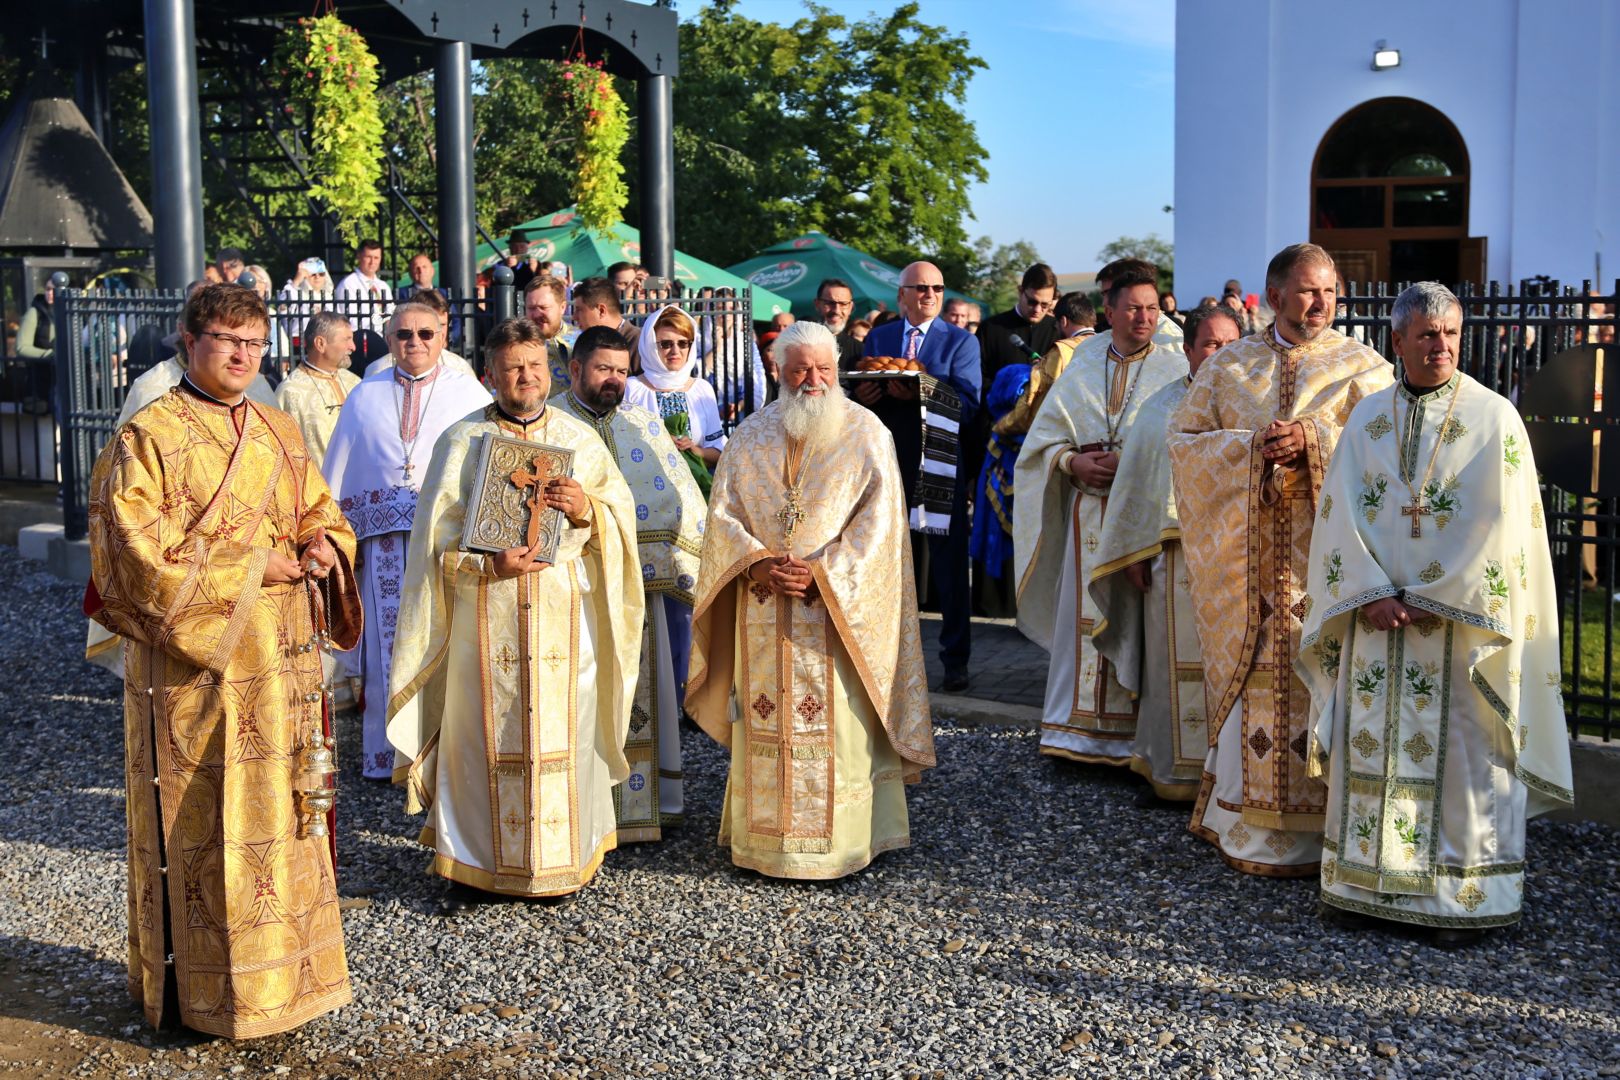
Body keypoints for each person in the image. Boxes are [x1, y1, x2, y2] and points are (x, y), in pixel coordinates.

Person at [86, 283, 360, 1037]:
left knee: (282, 819)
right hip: (193, 675)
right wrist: (251, 570)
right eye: (228, 340)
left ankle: (285, 986)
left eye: (255, 343)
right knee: (204, 823)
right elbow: (128, 559)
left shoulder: (278, 429)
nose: (244, 355)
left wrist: (318, 546)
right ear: (190, 340)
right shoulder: (149, 435)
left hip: (281, 667)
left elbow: (323, 514)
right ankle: (197, 996)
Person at [1298, 282, 1573, 941]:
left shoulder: (1492, 418)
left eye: (1450, 334)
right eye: (1426, 335)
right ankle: (1362, 883)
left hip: (1458, 631)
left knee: (1463, 758)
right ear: (1397, 342)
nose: (1441, 346)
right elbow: (1338, 516)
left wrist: (1427, 597)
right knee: (1374, 743)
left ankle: (1459, 901)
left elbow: (1501, 530)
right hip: (1376, 623)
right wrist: (1370, 594)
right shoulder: (1366, 421)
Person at [387, 317, 642, 908]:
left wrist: (585, 510)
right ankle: (474, 863)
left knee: (566, 730)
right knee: (480, 737)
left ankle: (560, 861)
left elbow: (618, 523)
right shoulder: (461, 442)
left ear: (548, 370)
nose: (525, 377)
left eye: (534, 366)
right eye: (512, 367)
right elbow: (431, 552)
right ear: (490, 374)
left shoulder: (579, 440)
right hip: (486, 614)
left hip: (561, 615)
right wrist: (486, 565)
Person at [1167, 243, 1393, 876]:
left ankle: (1332, 832)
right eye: (1306, 290)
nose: (1319, 303)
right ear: (1273, 296)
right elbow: (1184, 445)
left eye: (1328, 292)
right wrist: (1253, 453)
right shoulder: (1228, 367)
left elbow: (1391, 455)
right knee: (1259, 676)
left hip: (1330, 567)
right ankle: (1246, 822)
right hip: (1248, 572)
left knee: (1327, 678)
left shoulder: (1365, 369)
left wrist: (1316, 443)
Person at [687, 320, 934, 878]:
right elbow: (722, 518)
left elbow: (882, 530)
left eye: (824, 368)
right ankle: (765, 844)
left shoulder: (867, 433)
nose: (813, 380)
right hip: (763, 605)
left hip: (834, 613)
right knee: (765, 717)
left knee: (840, 723)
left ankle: (845, 843)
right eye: (800, 369)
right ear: (779, 371)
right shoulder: (749, 435)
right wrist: (758, 562)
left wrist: (823, 573)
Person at [1014, 264, 1187, 766]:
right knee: (1080, 619)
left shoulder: (1176, 364)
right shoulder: (1083, 358)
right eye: (1133, 308)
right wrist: (1072, 463)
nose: (1144, 317)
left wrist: (1132, 463)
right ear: (1108, 310)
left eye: (1152, 308)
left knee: (1140, 617)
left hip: (1142, 513)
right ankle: (1075, 734)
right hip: (1086, 512)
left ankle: (1134, 738)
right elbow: (1041, 442)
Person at [322, 299, 491, 781]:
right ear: (388, 338)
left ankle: (445, 759)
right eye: (403, 335)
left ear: (443, 337)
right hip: (381, 548)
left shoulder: (468, 394)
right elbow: (339, 470)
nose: (414, 343)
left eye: (425, 334)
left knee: (445, 642)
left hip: (445, 542)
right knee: (386, 647)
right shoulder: (364, 394)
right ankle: (385, 754)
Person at [1087, 304, 1242, 801]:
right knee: (1167, 671)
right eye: (1212, 345)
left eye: (1231, 343)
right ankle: (1168, 772)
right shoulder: (1160, 406)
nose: (1222, 354)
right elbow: (1137, 488)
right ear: (1191, 351)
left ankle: (1235, 776)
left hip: (1237, 557)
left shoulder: (1256, 406)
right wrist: (1130, 553)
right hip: (1168, 560)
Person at [558, 326, 707, 840]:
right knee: (584, 700)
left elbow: (682, 500)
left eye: (622, 371)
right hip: (578, 592)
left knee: (644, 699)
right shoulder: (553, 426)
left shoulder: (643, 424)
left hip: (642, 593)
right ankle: (587, 813)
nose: (614, 381)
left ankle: (648, 808)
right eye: (603, 370)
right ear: (575, 369)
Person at [859, 261, 982, 693]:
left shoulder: (962, 342)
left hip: (941, 463)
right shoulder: (880, 337)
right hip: (890, 461)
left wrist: (920, 389)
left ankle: (955, 661)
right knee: (889, 562)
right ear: (902, 295)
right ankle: (888, 657)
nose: (930, 294)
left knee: (949, 568)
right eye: (921, 288)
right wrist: (866, 395)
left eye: (937, 288)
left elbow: (969, 406)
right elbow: (859, 399)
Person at [994, 291, 1098, 439]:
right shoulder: (1108, 345)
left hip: (1066, 436)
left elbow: (1036, 403)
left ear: (1063, 321)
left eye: (1056, 323)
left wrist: (1002, 426)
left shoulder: (1062, 351)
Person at [276, 311, 360, 468]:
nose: (353, 347)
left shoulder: (355, 382)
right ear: (320, 343)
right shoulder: (290, 392)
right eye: (346, 340)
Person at [363, 287, 478, 382]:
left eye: (443, 325)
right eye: (427, 330)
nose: (440, 332)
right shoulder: (379, 371)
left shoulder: (459, 368)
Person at [978, 263, 1059, 386]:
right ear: (1020, 291)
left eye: (1045, 305)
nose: (1037, 310)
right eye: (1032, 302)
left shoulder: (1057, 330)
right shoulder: (990, 328)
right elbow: (978, 377)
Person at [523, 275, 572, 395]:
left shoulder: (581, 341)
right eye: (531, 308)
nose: (536, 314)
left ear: (562, 307)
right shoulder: (515, 345)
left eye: (543, 307)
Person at [334, 239, 393, 336]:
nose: (372, 262)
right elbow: (352, 320)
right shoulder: (348, 284)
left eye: (376, 257)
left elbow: (391, 313)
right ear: (359, 256)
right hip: (361, 338)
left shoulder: (383, 285)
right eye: (368, 257)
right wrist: (384, 322)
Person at [571, 275, 641, 356]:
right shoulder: (586, 344)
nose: (574, 317)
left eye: (579, 310)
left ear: (601, 311)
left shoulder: (638, 343)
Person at [811, 277, 862, 371]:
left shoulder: (860, 350)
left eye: (843, 304)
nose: (836, 310)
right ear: (817, 304)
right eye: (830, 303)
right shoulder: (800, 344)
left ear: (850, 307)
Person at [504, 229, 537, 293]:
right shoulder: (502, 263)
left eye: (521, 246)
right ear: (510, 248)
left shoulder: (535, 263)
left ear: (527, 248)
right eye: (514, 247)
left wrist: (534, 270)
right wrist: (507, 268)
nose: (518, 250)